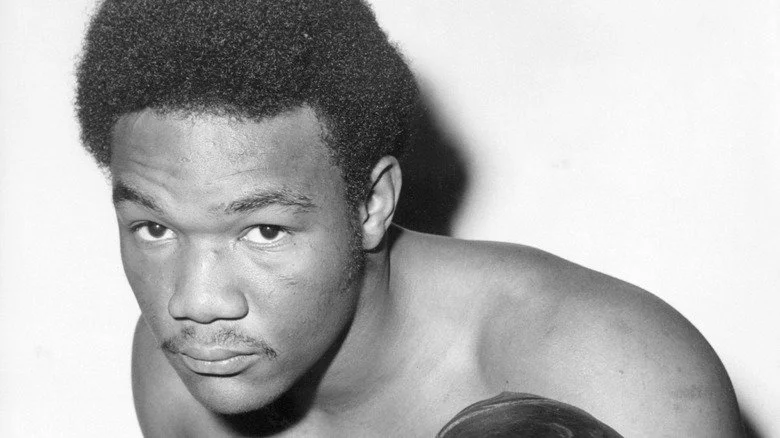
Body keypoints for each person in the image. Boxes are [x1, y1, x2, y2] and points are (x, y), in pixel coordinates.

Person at [75, 0, 744, 436]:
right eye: (155, 229)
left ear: (372, 204)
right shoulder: (183, 377)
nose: (195, 303)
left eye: (264, 231)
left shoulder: (613, 373)